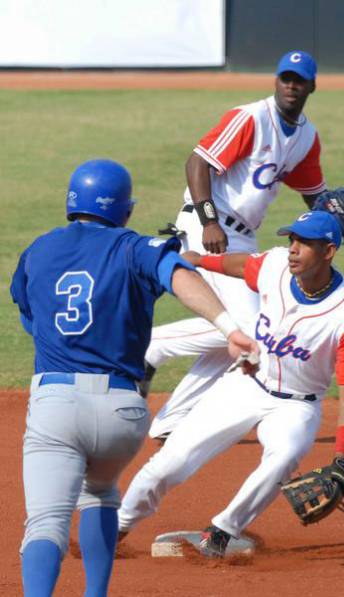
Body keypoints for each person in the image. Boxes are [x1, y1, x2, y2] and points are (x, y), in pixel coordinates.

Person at [10, 159, 257, 595]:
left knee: (46, 522)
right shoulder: (135, 247)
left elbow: (30, 317)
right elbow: (181, 275)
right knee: (102, 495)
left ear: (71, 203)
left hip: (57, 405)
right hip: (122, 413)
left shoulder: (38, 250)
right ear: (125, 210)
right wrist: (229, 328)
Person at [118, 210, 344, 558]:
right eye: (292, 239)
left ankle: (221, 531)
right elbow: (238, 266)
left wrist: (342, 460)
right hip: (247, 381)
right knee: (170, 461)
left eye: (305, 243)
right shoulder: (276, 264)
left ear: (328, 252)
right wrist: (199, 260)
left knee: (284, 457)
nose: (294, 249)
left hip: (296, 406)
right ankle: (117, 525)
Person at [141, 50, 329, 441]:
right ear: (276, 81)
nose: (291, 86)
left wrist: (338, 221)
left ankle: (171, 417)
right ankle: (155, 348)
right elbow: (197, 163)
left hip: (242, 234)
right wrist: (208, 218)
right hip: (206, 224)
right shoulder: (251, 118)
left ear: (311, 86)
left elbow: (316, 197)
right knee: (253, 329)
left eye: (299, 80)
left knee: (242, 331)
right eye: (285, 78)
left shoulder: (306, 138)